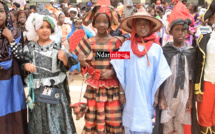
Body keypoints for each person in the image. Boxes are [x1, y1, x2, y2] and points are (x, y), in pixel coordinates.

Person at [8, 13, 77, 134]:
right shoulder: (30, 47)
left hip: (56, 91)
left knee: (56, 118)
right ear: (35, 29)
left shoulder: (58, 46)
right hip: (38, 92)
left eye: (48, 27)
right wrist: (26, 66)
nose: (45, 30)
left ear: (52, 28)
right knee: (39, 119)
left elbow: (66, 67)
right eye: (41, 27)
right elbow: (22, 63)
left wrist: (65, 60)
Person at [110, 7, 171, 134]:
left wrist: (156, 95)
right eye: (139, 24)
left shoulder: (156, 48)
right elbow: (120, 68)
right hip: (130, 93)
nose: (142, 27)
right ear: (134, 27)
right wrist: (121, 93)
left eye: (145, 24)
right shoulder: (126, 46)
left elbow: (159, 74)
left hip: (148, 92)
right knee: (130, 120)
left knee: (145, 121)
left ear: (150, 27)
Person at [78, 3, 123, 133]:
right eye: (98, 21)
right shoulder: (89, 42)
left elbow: (123, 63)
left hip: (112, 87)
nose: (102, 24)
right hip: (94, 88)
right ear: (94, 23)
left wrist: (112, 71)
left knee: (112, 118)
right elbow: (87, 67)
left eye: (105, 21)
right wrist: (82, 63)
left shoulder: (116, 42)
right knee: (94, 117)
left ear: (109, 23)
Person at [159, 18, 195, 134]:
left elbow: (191, 76)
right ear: (170, 32)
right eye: (177, 30)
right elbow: (161, 76)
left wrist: (190, 98)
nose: (180, 33)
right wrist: (162, 97)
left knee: (180, 124)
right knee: (167, 124)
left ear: (187, 32)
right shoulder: (165, 50)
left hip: (184, 93)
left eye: (183, 30)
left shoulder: (191, 51)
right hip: (168, 92)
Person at [0, 1, 27, 133]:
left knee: (12, 106)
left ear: (6, 13)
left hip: (12, 78)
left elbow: (21, 56)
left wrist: (10, 38)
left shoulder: (15, 32)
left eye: (0, 11)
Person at [194, 0, 215, 133]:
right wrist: (197, 90)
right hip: (207, 84)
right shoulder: (205, 37)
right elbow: (197, 65)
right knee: (204, 118)